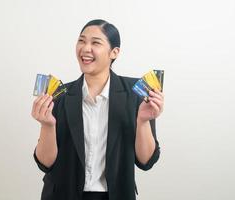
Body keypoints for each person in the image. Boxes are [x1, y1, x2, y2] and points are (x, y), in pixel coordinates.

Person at [31, 19, 164, 200]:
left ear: (114, 52)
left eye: (95, 42)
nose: (85, 48)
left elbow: (146, 161)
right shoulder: (59, 95)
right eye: (81, 41)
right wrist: (47, 125)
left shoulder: (136, 94)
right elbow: (45, 164)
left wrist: (142, 121)